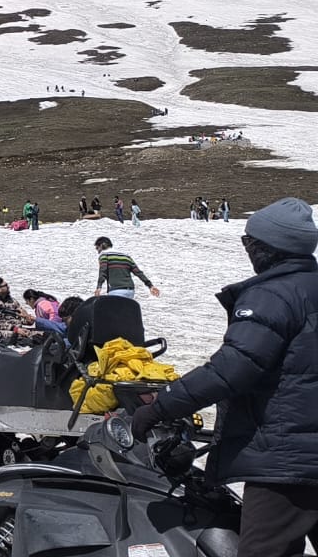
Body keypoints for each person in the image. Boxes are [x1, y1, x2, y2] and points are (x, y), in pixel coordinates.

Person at [131, 197, 318, 556]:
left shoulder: (272, 295)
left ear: (269, 248)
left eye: (250, 242)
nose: (247, 249)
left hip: (287, 460)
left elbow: (231, 369)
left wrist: (158, 407)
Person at [94, 236, 159, 299]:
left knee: (113, 307)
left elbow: (103, 272)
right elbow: (138, 272)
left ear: (102, 245)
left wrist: (99, 287)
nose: (98, 251)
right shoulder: (125, 256)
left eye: (97, 248)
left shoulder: (104, 255)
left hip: (116, 290)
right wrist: (150, 286)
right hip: (130, 291)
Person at [0, 278, 33, 345]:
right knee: (25, 335)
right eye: (5, 285)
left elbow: (20, 315)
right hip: (2, 331)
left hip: (18, 329)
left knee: (40, 334)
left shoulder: (12, 301)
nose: (8, 287)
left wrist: (27, 319)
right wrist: (15, 329)